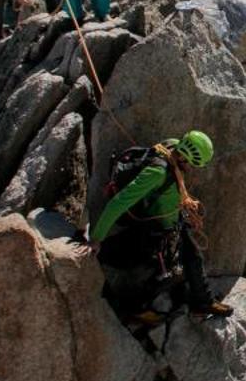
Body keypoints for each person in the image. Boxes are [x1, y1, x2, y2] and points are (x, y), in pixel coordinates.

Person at [91, 131, 232, 320]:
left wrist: (184, 201)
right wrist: (96, 238)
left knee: (193, 256)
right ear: (188, 158)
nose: (191, 168)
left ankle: (203, 302)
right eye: (192, 164)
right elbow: (119, 202)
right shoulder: (157, 173)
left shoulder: (172, 146)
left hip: (172, 221)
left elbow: (174, 182)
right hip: (155, 228)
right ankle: (134, 309)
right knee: (164, 273)